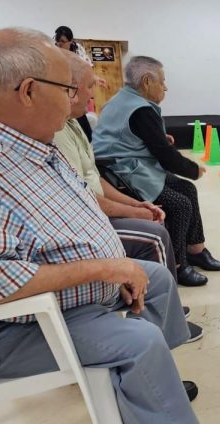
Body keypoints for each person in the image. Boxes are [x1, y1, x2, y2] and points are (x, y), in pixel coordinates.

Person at [0, 28, 214, 424]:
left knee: (154, 278)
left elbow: (79, 199)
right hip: (1, 330)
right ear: (29, 91)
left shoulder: (18, 139)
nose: (80, 99)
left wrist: (116, 258)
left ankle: (154, 389)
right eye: (69, 89)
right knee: (138, 342)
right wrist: (107, 267)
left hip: (45, 306)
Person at [93, 56, 220, 287]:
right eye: (162, 81)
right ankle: (176, 265)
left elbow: (129, 135)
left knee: (187, 189)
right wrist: (193, 168)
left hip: (131, 164)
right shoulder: (141, 110)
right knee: (178, 204)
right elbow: (164, 153)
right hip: (122, 173)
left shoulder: (122, 99)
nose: (165, 87)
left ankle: (195, 249)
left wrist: (157, 137)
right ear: (146, 81)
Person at [54, 51, 180, 273]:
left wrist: (136, 205)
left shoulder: (75, 123)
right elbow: (80, 195)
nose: (93, 96)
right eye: (90, 86)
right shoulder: (58, 132)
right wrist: (135, 211)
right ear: (69, 90)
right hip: (108, 190)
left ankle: (189, 257)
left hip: (112, 186)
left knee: (180, 195)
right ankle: (175, 274)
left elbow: (94, 179)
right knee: (161, 227)